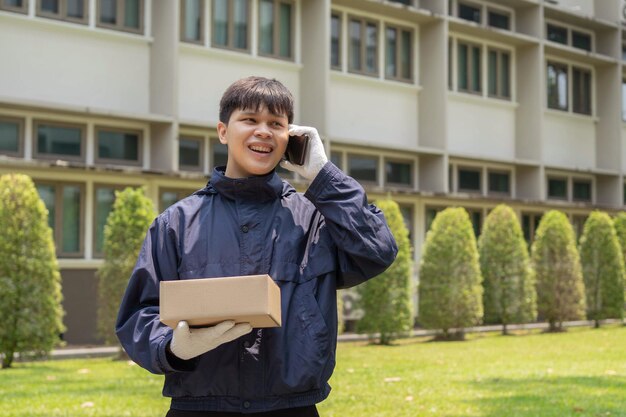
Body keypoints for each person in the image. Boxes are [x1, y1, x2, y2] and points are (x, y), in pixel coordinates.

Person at [116, 76, 398, 417]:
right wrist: (173, 347)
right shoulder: (175, 224)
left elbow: (377, 249)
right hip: (200, 406)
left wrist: (323, 174)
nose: (263, 131)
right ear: (223, 131)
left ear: (290, 138)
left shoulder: (315, 220)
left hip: (293, 407)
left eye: (276, 124)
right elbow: (137, 315)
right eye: (249, 120)